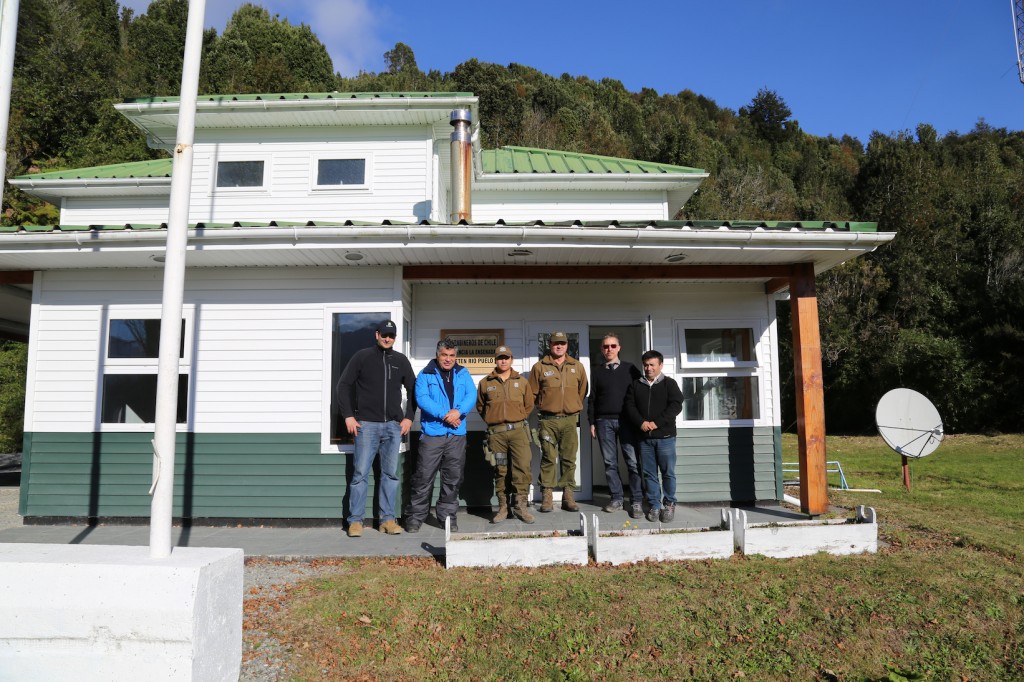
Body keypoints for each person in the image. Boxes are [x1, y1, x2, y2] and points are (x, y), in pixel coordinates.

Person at [336, 319, 416, 537]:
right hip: (366, 426)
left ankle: (387, 520)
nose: (387, 338)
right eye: (384, 334)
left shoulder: (400, 360)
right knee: (360, 474)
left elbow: (413, 390)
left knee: (390, 474)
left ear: (395, 338)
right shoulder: (362, 357)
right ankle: (355, 521)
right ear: (377, 335)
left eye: (391, 335)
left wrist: (408, 418)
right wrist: (348, 416)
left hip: (393, 427)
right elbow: (343, 386)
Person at [404, 339, 476, 533]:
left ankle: (447, 517)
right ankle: (416, 517)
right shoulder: (425, 374)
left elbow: (471, 395)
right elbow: (422, 399)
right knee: (423, 477)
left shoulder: (463, 373)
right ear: (438, 355)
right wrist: (446, 414)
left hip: (456, 435)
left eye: (452, 355)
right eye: (444, 355)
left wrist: (458, 412)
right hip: (432, 435)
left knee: (452, 479)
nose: (448, 359)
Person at [528, 331, 589, 513]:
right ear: (550, 345)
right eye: (556, 343)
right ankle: (547, 494)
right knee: (548, 457)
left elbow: (582, 391)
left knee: (569, 458)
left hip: (570, 420)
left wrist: (572, 405)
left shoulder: (577, 366)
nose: (559, 346)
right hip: (548, 421)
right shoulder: (539, 367)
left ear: (567, 345)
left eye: (562, 343)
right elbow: (532, 393)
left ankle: (568, 495)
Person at [476, 346, 537, 523]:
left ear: (511, 359)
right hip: (497, 436)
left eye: (506, 357)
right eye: (500, 358)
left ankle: (520, 506)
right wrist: (493, 419)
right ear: (495, 360)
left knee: (522, 467)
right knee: (501, 469)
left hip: (519, 433)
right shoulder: (485, 383)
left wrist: (518, 416)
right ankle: (503, 508)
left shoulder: (522, 381)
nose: (503, 361)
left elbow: (529, 405)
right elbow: (481, 407)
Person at [588, 333, 644, 518]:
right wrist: (592, 422)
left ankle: (636, 501)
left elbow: (640, 394)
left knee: (633, 463)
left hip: (627, 422)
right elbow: (592, 399)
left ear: (619, 348)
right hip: (604, 422)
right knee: (610, 463)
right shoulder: (597, 372)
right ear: (601, 349)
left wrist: (639, 420)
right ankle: (617, 499)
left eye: (613, 346)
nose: (609, 349)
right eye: (605, 346)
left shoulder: (631, 369)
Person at [625, 350, 683, 523]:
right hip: (645, 439)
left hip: (665, 437)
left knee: (668, 473)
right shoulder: (636, 385)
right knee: (649, 474)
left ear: (660, 365)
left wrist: (657, 423)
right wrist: (641, 423)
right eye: (646, 365)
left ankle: (669, 504)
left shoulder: (669, 384)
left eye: (652, 365)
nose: (648, 368)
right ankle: (654, 505)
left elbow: (676, 405)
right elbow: (629, 406)